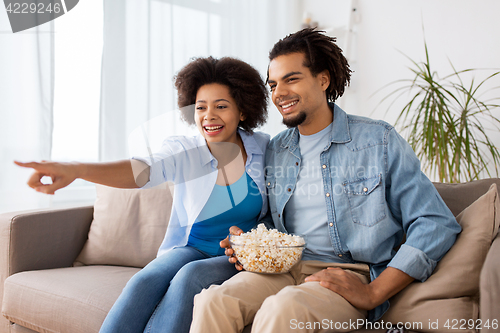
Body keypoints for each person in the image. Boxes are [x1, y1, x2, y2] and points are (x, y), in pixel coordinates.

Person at [189, 28, 462, 333]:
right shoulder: (277, 149)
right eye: (274, 84)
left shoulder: (378, 141)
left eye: (291, 79)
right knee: (213, 300)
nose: (279, 93)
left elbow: (435, 222)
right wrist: (249, 241)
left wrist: (374, 292)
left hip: (349, 274)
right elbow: (274, 221)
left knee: (283, 310)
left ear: (322, 79)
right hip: (285, 266)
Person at [14, 56, 270, 333]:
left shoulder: (265, 149)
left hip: (237, 255)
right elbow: (143, 169)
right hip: (191, 248)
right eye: (200, 107)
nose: (209, 115)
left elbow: (281, 209)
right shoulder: (186, 151)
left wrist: (255, 241)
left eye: (221, 106)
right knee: (145, 279)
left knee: (189, 277)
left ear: (243, 111)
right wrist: (77, 169)